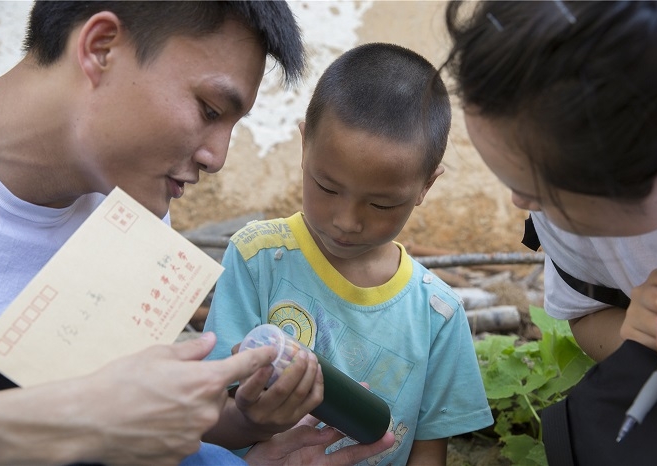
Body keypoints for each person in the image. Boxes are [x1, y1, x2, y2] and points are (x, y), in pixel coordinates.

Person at [0, 2, 394, 465]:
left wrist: (248, 426)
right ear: (101, 48)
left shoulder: (130, 212)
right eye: (209, 109)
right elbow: (94, 420)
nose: (216, 158)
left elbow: (127, 417)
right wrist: (79, 419)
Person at [203, 42, 494, 465]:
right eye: (326, 187)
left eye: (380, 205)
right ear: (305, 146)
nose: (347, 220)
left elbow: (430, 451)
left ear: (426, 186)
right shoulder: (258, 258)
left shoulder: (437, 314)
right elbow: (208, 418)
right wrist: (251, 418)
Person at [443, 1, 657, 464]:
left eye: (540, 194)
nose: (521, 205)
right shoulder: (565, 205)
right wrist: (641, 335)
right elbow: (587, 317)